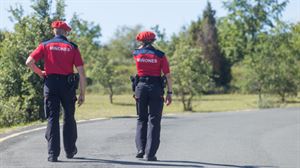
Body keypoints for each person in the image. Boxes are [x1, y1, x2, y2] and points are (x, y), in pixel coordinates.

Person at [25, 20, 86, 162]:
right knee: (69, 117)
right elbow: (81, 72)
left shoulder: (45, 45)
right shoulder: (72, 47)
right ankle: (70, 151)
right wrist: (82, 93)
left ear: (54, 31)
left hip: (50, 84)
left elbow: (29, 62)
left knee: (52, 118)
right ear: (66, 32)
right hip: (68, 85)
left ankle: (53, 154)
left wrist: (40, 73)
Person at [132, 31, 173, 161]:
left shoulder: (136, 54)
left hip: (141, 88)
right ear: (154, 40)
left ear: (141, 41)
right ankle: (150, 154)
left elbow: (139, 50)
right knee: (154, 121)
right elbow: (167, 75)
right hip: (156, 88)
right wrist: (169, 92)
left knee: (141, 119)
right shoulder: (160, 55)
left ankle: (140, 149)